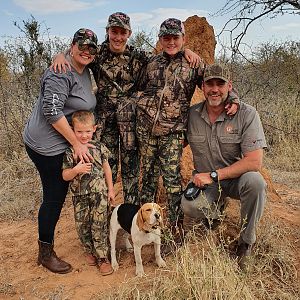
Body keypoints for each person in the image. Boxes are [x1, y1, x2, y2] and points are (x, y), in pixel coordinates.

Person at [52, 12, 201, 205]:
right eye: (114, 31)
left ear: (129, 33)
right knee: (107, 170)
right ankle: (106, 222)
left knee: (131, 174)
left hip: (132, 124)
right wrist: (59, 55)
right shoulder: (98, 54)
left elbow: (167, 56)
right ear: (108, 31)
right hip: (105, 125)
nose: (118, 37)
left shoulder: (138, 57)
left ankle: (131, 220)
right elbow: (79, 52)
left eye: (123, 32)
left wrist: (186, 51)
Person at [135, 18, 239, 246]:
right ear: (160, 39)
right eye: (166, 38)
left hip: (173, 134)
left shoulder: (194, 64)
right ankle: (144, 233)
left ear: (184, 39)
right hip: (147, 133)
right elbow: (137, 88)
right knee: (149, 181)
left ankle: (173, 232)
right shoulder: (151, 63)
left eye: (176, 38)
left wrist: (233, 99)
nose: (171, 42)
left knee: (172, 182)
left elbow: (216, 84)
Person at [23, 28, 98, 274]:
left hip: (62, 141)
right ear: (72, 45)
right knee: (54, 196)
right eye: (82, 46)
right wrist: (77, 144)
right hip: (45, 144)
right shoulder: (60, 71)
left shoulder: (84, 69)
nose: (86, 51)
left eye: (91, 48)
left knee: (56, 192)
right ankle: (45, 253)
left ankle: (46, 248)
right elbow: (52, 111)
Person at [181, 63, 267, 269]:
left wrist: (214, 174)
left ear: (229, 86)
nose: (215, 89)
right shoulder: (191, 114)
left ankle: (246, 243)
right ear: (202, 86)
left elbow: (255, 161)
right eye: (210, 84)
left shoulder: (247, 114)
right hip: (206, 183)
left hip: (234, 179)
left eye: (220, 84)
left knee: (256, 182)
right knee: (189, 205)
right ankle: (215, 212)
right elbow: (174, 143)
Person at [62, 111, 115, 275]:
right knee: (83, 225)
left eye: (87, 131)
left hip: (100, 194)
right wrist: (76, 170)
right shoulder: (70, 151)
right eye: (79, 132)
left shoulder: (99, 147)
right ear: (73, 130)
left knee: (100, 224)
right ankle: (89, 250)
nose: (84, 136)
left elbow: (107, 169)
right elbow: (65, 176)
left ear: (94, 129)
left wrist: (111, 189)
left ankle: (103, 258)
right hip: (80, 196)